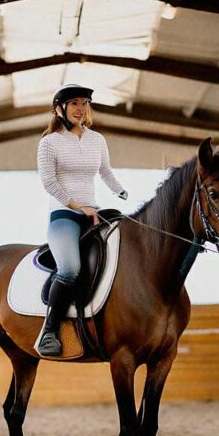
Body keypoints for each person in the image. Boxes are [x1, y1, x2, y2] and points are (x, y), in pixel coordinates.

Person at [35, 84, 128, 357]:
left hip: (94, 213)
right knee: (70, 269)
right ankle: (49, 331)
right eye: (74, 103)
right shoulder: (49, 142)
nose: (80, 108)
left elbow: (105, 171)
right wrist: (78, 206)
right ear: (59, 109)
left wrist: (119, 190)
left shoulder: (96, 139)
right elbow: (49, 183)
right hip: (64, 216)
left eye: (84, 103)